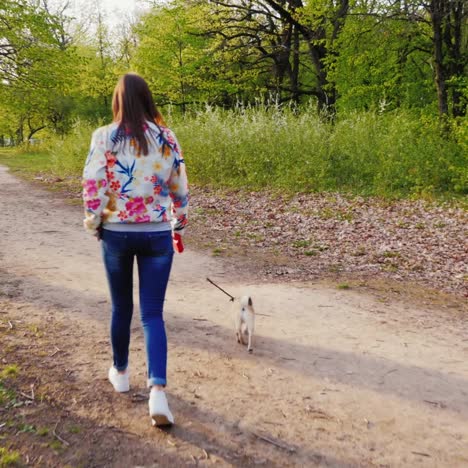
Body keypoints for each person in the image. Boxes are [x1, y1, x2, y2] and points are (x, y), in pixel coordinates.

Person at [81, 73, 188, 427]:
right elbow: (179, 186)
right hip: (157, 232)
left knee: (121, 306)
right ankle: (158, 391)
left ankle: (121, 373)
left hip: (117, 232)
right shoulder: (166, 136)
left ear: (118, 100)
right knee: (153, 314)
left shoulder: (105, 137)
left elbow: (94, 184)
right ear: (148, 98)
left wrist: (96, 222)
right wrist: (179, 221)